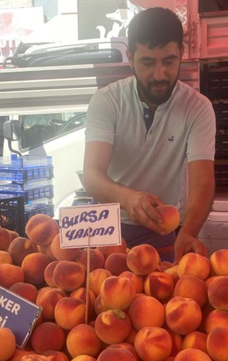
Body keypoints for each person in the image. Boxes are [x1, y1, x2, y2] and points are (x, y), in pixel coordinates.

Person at [82, 7, 216, 263]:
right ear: (130, 57)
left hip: (162, 233)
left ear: (182, 54)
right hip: (107, 231)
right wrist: (128, 199)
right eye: (147, 62)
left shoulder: (198, 108)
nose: (159, 75)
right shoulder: (106, 101)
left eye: (168, 61)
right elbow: (92, 174)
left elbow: (203, 183)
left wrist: (188, 232)